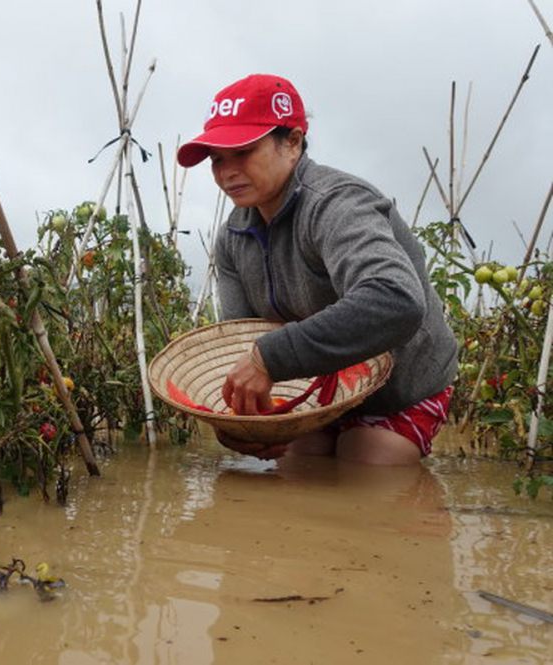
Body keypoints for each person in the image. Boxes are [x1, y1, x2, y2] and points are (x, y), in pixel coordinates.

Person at [177, 74, 458, 466]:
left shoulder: (337, 204)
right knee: (297, 465)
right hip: (313, 385)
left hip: (402, 384)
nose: (227, 173)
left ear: (292, 142)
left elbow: (396, 300)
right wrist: (240, 423)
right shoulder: (234, 238)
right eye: (217, 159)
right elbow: (243, 342)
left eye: (244, 152)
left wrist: (267, 360)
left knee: (366, 461)